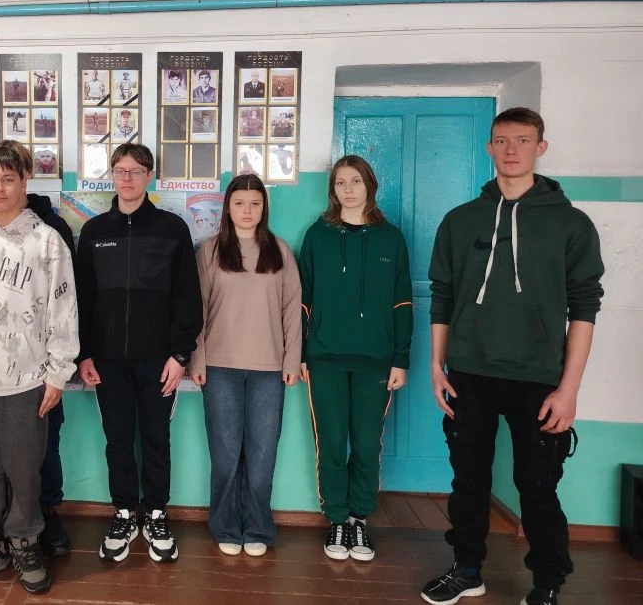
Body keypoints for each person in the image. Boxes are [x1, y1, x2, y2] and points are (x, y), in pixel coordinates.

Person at [420, 108, 604, 605]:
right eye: (501, 140)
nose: (511, 150)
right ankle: (466, 570)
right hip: (469, 371)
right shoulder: (460, 221)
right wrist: (437, 366)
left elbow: (585, 306)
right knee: (468, 480)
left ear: (540, 147)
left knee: (537, 486)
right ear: (489, 147)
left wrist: (569, 389)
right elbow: (442, 295)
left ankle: (547, 583)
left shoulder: (570, 223)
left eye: (523, 140)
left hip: (540, 377)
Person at [0, 142, 78, 596]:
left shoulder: (47, 241)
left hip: (29, 378)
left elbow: (63, 309)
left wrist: (58, 373)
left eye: (8, 179)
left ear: (25, 181)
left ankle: (25, 541)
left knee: (24, 465)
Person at [75, 143, 203, 564]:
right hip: (107, 361)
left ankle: (157, 513)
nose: (127, 178)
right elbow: (83, 299)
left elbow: (187, 297)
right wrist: (85, 354)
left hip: (158, 361)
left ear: (150, 176)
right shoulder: (94, 232)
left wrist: (179, 355)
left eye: (136, 171)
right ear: (112, 175)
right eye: (120, 170)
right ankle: (125, 512)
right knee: (117, 439)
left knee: (155, 438)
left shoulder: (171, 228)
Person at [298, 155, 413, 563]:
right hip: (324, 358)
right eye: (340, 182)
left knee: (365, 442)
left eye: (356, 181)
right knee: (330, 441)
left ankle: (359, 519)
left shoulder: (391, 238)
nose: (348, 190)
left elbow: (402, 301)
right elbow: (303, 299)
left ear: (370, 186)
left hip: (376, 361)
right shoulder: (317, 236)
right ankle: (337, 518)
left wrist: (400, 359)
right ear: (332, 189)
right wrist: (301, 354)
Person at [190, 174, 302, 557]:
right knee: (224, 454)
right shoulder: (209, 252)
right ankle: (225, 526)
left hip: (269, 369)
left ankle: (257, 527)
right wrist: (197, 359)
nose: (247, 210)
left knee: (262, 455)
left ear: (264, 208)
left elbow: (292, 310)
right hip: (219, 366)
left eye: (255, 203)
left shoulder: (280, 251)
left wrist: (291, 359)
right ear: (228, 208)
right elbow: (196, 311)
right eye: (240, 203)